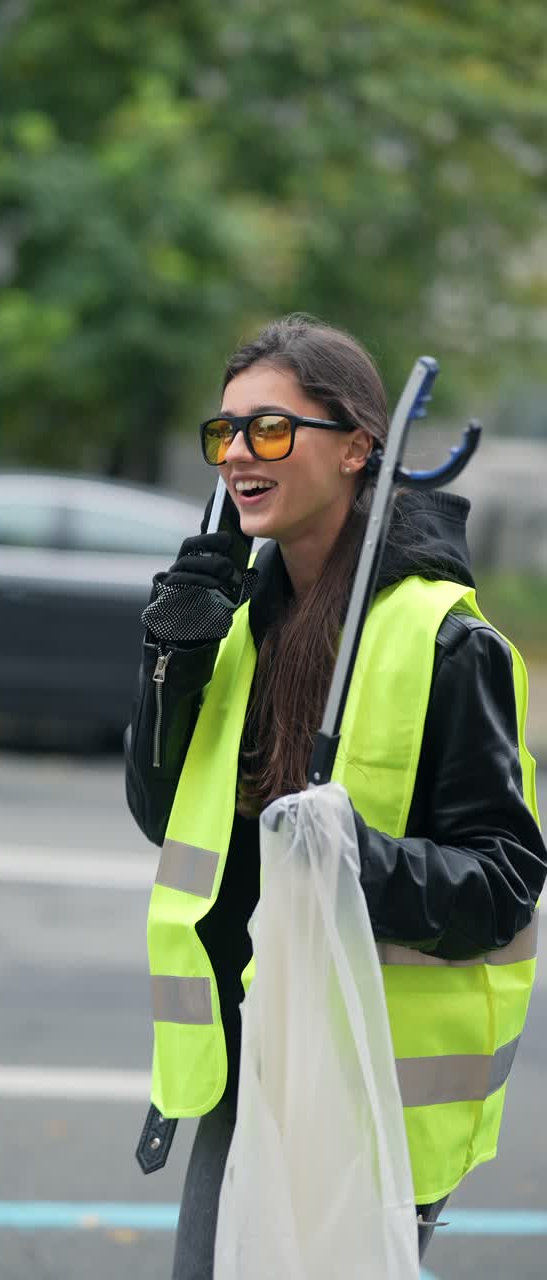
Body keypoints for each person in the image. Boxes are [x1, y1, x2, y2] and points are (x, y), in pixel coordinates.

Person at [125, 315, 546, 1275]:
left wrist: (351, 854)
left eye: (270, 429)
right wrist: (170, 666)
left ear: (358, 446)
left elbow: (506, 881)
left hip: (369, 1082)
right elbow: (163, 817)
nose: (237, 453)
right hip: (246, 1062)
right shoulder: (232, 621)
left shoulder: (447, 639)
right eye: (224, 433)